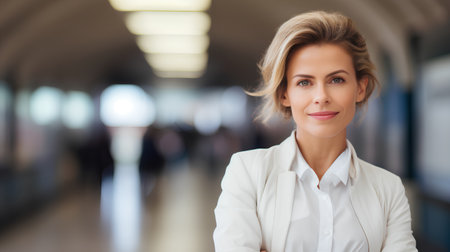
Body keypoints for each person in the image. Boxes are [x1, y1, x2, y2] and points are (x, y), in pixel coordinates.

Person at [213, 11, 417, 252]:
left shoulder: (388, 189)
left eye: (336, 80)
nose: (321, 97)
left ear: (360, 88)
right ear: (284, 94)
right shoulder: (248, 173)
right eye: (304, 82)